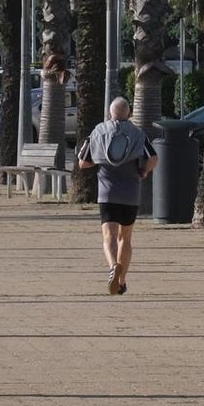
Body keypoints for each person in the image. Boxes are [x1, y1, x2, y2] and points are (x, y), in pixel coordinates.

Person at [76, 97, 157, 295]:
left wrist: (100, 162)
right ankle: (121, 282)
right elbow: (153, 157)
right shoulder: (138, 133)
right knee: (125, 238)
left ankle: (113, 266)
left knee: (108, 236)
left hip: (107, 193)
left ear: (110, 113)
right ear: (128, 113)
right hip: (130, 192)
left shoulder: (98, 131)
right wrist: (143, 171)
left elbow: (82, 162)